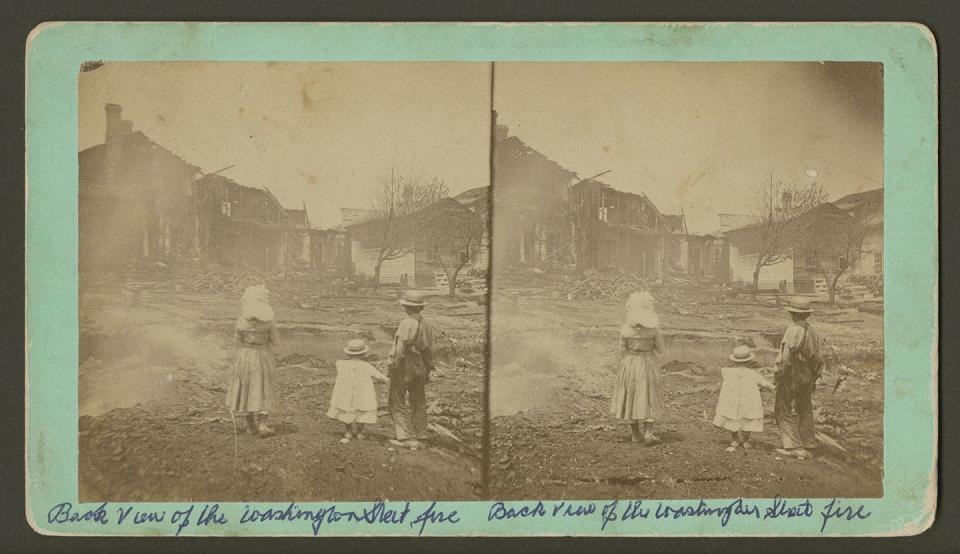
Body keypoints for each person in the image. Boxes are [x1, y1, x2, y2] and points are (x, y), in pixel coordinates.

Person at [610, 290, 666, 445]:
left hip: (630, 362)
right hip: (647, 362)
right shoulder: (654, 330)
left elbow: (621, 350)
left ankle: (635, 434)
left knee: (631, 396)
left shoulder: (625, 329)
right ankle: (648, 432)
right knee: (649, 396)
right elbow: (661, 350)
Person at [773, 297, 826, 460]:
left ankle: (793, 446)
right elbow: (819, 358)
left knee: (783, 408)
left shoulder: (792, 330)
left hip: (791, 372)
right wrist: (814, 376)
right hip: (807, 373)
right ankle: (809, 445)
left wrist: (780, 373)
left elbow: (786, 355)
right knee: (805, 409)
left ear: (793, 314)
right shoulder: (814, 331)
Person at [225, 284, 280, 437]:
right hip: (262, 356)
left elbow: (236, 342)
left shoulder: (241, 321)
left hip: (245, 356)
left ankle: (250, 426)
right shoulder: (268, 322)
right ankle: (263, 424)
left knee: (246, 388)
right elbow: (275, 342)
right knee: (263, 388)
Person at [387, 290, 435, 450]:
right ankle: (422, 436)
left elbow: (400, 349)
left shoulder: (406, 323)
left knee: (397, 400)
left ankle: (405, 437)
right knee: (419, 401)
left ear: (406, 307)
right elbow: (429, 350)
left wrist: (395, 365)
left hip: (405, 365)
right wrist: (428, 369)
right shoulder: (426, 324)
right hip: (420, 365)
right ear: (421, 307)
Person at [713, 345, 776, 452]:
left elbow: (722, 369)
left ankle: (735, 440)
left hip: (732, 403)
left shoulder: (727, 372)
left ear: (734, 361)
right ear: (749, 361)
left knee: (733, 420)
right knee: (747, 421)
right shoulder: (752, 373)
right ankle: (746, 441)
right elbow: (764, 383)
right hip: (748, 402)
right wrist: (773, 387)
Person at [327, 338, 390, 443]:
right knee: (362, 410)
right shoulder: (366, 366)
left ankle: (348, 431)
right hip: (362, 392)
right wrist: (388, 380)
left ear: (348, 353)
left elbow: (340, 366)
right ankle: (360, 432)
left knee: (346, 409)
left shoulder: (341, 364)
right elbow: (378, 376)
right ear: (364, 353)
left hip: (346, 393)